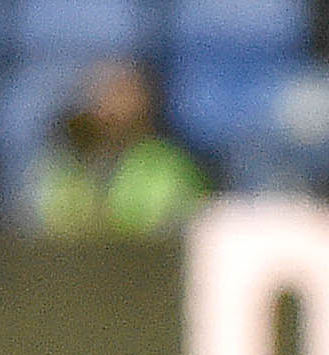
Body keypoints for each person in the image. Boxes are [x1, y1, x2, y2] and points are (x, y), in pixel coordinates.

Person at [28, 57, 207, 238]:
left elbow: (168, 227)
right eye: (103, 93)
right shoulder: (66, 164)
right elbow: (50, 221)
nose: (112, 106)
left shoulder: (171, 165)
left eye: (121, 94)